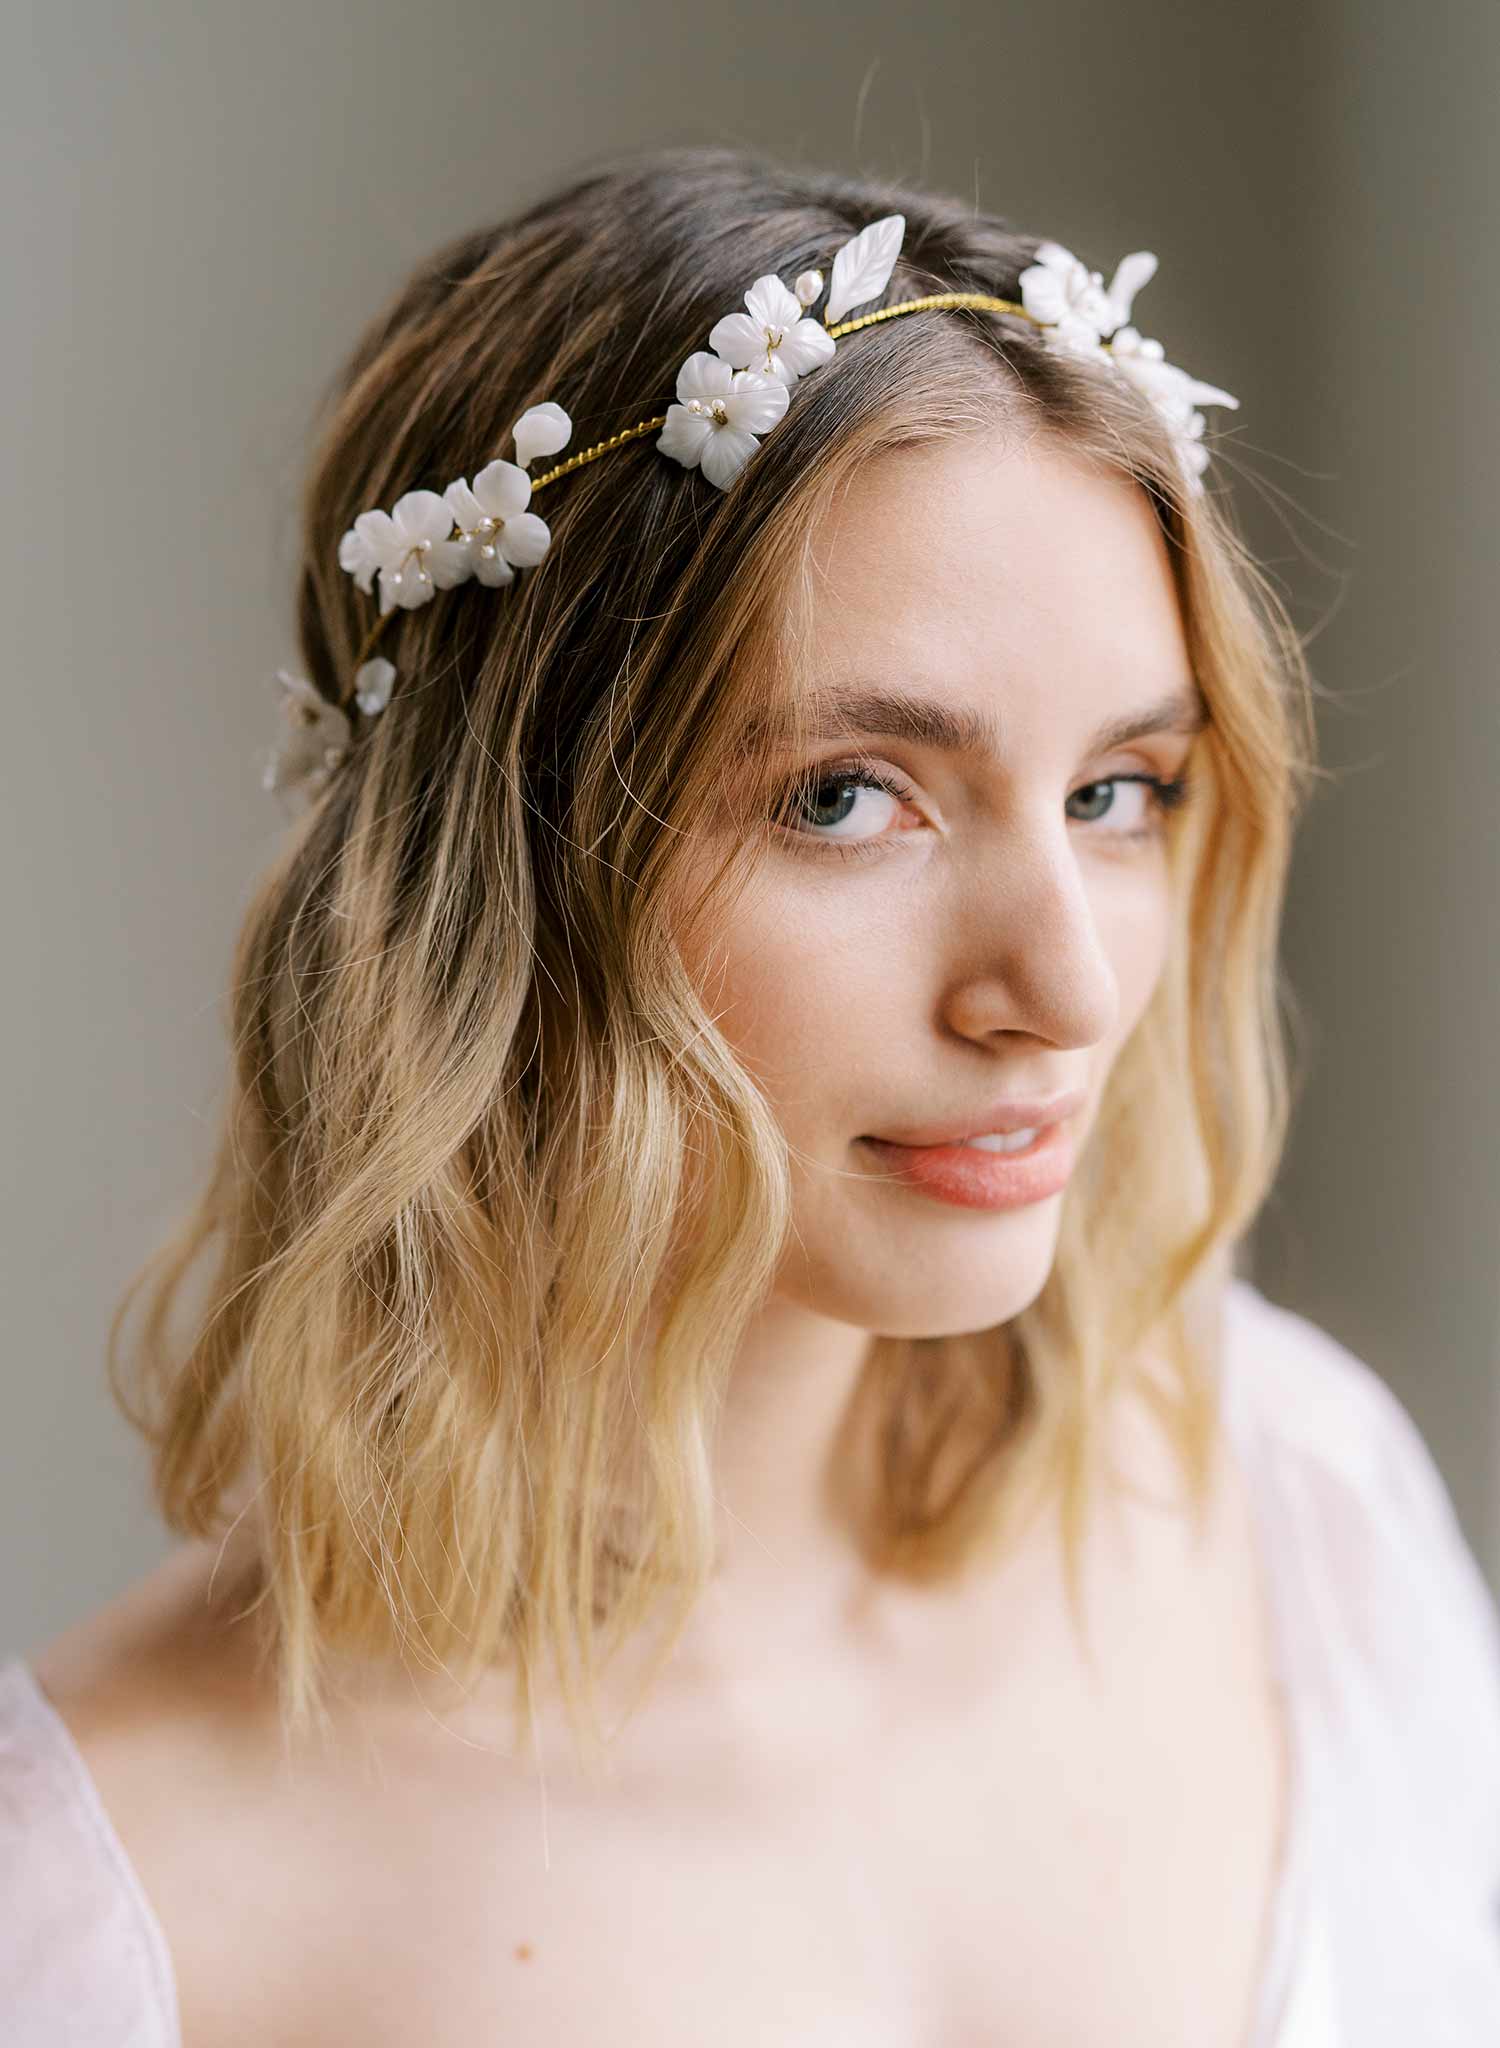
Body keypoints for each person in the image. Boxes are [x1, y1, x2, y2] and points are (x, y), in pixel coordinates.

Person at [3, 144, 1498, 2047]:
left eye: (1119, 790)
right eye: (848, 796)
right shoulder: (109, 1909)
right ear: (489, 879)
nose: (1065, 987)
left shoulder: (1294, 1510)